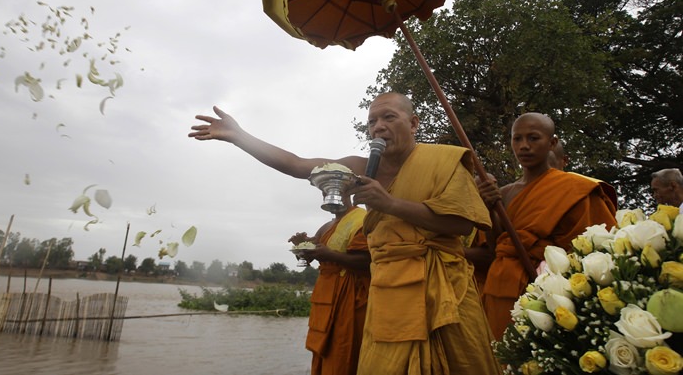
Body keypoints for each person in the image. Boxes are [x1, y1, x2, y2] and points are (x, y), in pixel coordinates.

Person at [189, 92, 502, 375]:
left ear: (413, 123)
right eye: (372, 122)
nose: (378, 127)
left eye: (389, 118)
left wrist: (390, 204)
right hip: (389, 292)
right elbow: (298, 164)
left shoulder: (443, 161)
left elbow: (461, 225)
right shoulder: (362, 167)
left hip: (446, 291)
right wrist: (239, 136)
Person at [469, 112, 617, 340]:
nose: (524, 146)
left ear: (552, 143)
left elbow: (597, 248)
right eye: (517, 139)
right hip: (502, 289)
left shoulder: (574, 189)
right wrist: (488, 208)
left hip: (553, 292)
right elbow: (497, 248)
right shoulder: (505, 193)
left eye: (533, 138)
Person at [288, 195, 371, 375]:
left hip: (349, 294)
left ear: (347, 191)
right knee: (322, 350)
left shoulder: (361, 219)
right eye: (325, 193)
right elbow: (312, 256)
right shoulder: (327, 226)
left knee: (344, 351)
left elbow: (368, 262)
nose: (329, 198)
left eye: (333, 191)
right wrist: (302, 248)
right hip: (324, 295)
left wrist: (331, 255)